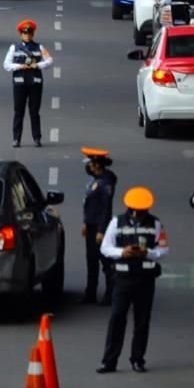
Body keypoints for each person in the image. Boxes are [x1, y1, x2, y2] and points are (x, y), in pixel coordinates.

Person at [97, 187, 169, 374]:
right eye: (136, 210)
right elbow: (105, 248)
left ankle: (138, 359)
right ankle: (109, 361)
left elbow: (163, 250)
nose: (139, 213)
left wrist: (148, 253)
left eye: (143, 210)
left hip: (145, 280)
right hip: (123, 279)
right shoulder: (116, 222)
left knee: (142, 321)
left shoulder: (156, 224)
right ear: (129, 208)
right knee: (117, 318)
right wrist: (123, 252)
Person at [2, 20, 53, 147]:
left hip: (35, 82)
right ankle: (16, 139)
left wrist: (38, 65)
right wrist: (20, 66)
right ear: (20, 34)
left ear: (33, 34)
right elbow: (6, 65)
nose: (27, 35)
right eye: (25, 33)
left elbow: (50, 60)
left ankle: (37, 138)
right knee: (18, 111)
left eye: (29, 33)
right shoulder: (14, 47)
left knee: (34, 111)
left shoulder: (39, 47)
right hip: (20, 83)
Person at [81, 147, 117, 305]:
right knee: (91, 260)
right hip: (91, 225)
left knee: (105, 262)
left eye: (90, 163)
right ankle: (90, 293)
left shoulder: (105, 183)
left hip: (99, 228)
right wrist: (85, 222)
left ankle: (110, 294)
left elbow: (105, 209)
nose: (88, 166)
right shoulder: (95, 180)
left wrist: (101, 231)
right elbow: (90, 204)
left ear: (96, 165)